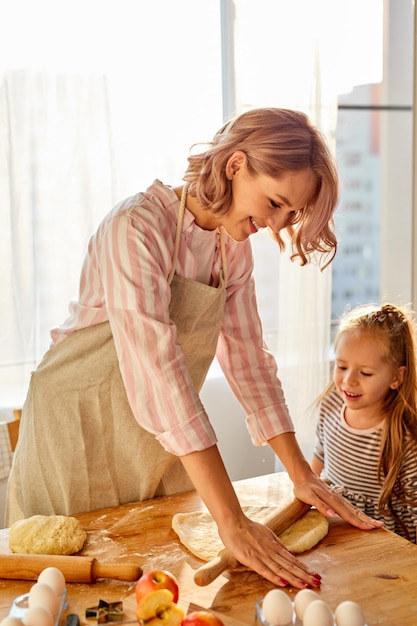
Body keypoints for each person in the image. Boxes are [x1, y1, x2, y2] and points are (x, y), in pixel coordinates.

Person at [6, 107, 382, 589]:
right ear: (235, 165)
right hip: (74, 428)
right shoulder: (136, 228)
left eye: (290, 215)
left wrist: (299, 473)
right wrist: (231, 520)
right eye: (275, 203)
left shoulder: (232, 250)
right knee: (71, 592)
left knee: (159, 591)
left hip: (150, 441)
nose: (275, 225)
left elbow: (250, 364)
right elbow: (160, 377)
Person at [312, 302, 417, 542]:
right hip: (333, 531)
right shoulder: (330, 404)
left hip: (382, 543)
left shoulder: (406, 436)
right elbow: (319, 457)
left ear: (396, 377)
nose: (348, 381)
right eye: (341, 366)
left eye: (366, 373)